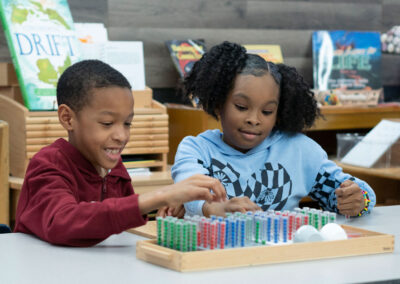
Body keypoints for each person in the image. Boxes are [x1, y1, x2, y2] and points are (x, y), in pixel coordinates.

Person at [14, 60, 225, 247]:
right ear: (68, 118)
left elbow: (119, 219)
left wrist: (167, 209)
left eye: (127, 123)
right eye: (107, 123)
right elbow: (63, 222)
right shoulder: (48, 164)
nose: (122, 135)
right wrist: (160, 196)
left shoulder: (113, 168)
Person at [172, 41, 376, 218]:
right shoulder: (197, 149)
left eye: (267, 111)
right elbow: (188, 192)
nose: (254, 119)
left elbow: (350, 191)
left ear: (279, 112)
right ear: (218, 104)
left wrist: (358, 200)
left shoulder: (300, 150)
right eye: (241, 107)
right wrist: (213, 207)